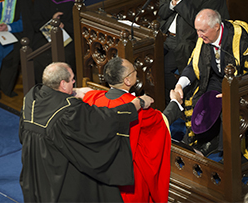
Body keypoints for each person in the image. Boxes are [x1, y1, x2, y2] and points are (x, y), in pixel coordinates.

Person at [19, 62, 154, 202]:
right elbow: (103, 120)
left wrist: (74, 91)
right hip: (59, 173)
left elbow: (22, 136)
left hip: (35, 171)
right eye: (72, 80)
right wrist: (136, 105)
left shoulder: (31, 98)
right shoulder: (68, 110)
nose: (74, 83)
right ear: (63, 84)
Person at [174, 9, 248, 156]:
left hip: (243, 83)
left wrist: (232, 91)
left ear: (216, 26)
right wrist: (179, 85)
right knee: (200, 97)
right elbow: (193, 65)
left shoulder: (244, 40)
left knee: (229, 105)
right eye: (197, 30)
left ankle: (227, 152)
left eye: (202, 30)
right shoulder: (203, 39)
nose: (199, 35)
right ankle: (206, 141)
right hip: (218, 80)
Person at [83, 57, 183, 203]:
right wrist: (175, 102)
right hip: (128, 181)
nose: (136, 72)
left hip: (99, 176)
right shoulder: (134, 109)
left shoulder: (94, 100)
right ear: (127, 81)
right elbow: (161, 122)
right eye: (134, 71)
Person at [158, 0, 230, 103]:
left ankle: (185, 100)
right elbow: (161, 11)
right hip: (165, 37)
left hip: (189, 42)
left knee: (162, 70)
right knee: (150, 65)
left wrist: (181, 2)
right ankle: (171, 101)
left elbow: (201, 24)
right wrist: (173, 3)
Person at [32, 0, 77, 83]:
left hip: (69, 38)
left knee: (68, 55)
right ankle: (43, 90)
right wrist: (51, 22)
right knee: (39, 56)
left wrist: (63, 24)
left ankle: (67, 88)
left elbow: (78, 22)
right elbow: (35, 23)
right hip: (45, 38)